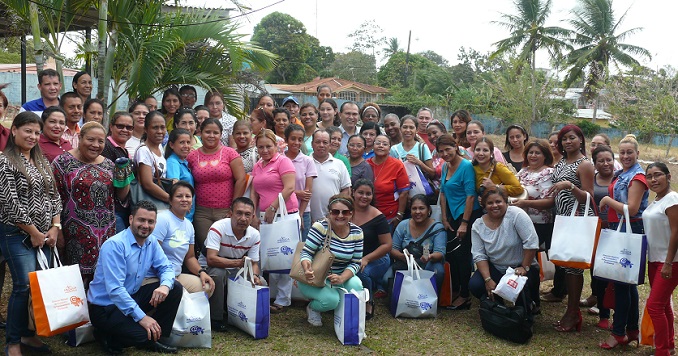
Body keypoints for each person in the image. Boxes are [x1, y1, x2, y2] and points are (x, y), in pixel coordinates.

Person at [0, 112, 62, 356]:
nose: (33, 136)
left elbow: (54, 196)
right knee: (23, 285)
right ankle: (13, 342)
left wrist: (55, 227)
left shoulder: (42, 160)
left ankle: (29, 335)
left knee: (38, 286)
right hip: (16, 234)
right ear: (14, 130)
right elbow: (9, 203)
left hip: (45, 234)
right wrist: (34, 232)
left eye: (37, 132)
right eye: (28, 131)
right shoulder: (4, 161)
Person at [87, 201, 182, 354]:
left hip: (130, 296)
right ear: (131, 219)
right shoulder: (115, 245)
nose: (146, 225)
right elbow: (116, 290)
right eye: (141, 220)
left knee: (174, 288)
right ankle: (106, 337)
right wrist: (142, 318)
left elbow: (166, 267)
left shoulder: (151, 242)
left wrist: (164, 286)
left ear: (155, 223)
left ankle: (156, 338)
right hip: (106, 307)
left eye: (150, 222)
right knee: (142, 335)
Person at [52, 122, 122, 287]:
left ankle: (98, 312)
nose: (96, 145)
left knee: (102, 279)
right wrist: (57, 229)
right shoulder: (61, 162)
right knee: (74, 284)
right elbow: (52, 198)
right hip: (74, 235)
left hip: (106, 234)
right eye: (91, 139)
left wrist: (124, 176)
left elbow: (120, 197)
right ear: (79, 137)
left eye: (100, 141)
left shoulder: (109, 165)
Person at [597, 134, 648, 349]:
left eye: (630, 152)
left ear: (638, 154)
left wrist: (608, 201)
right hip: (621, 228)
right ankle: (632, 330)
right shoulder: (623, 173)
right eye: (623, 152)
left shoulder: (637, 177)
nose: (625, 156)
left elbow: (633, 209)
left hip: (631, 229)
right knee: (627, 284)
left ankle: (618, 332)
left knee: (622, 284)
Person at [547, 124, 595, 333]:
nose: (567, 142)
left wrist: (570, 186)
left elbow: (589, 197)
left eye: (572, 138)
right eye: (564, 139)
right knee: (566, 266)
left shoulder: (584, 164)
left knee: (574, 268)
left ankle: (573, 312)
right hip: (562, 219)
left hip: (577, 219)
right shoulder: (560, 162)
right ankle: (571, 310)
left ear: (581, 140)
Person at [251, 129, 300, 313]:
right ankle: (270, 295)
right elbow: (254, 191)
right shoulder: (258, 165)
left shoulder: (283, 161)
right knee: (269, 256)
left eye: (268, 146)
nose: (265, 150)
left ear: (276, 146)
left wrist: (272, 207)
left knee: (285, 257)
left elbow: (289, 188)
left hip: (285, 215)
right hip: (265, 216)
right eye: (260, 147)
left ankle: (283, 299)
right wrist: (253, 213)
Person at [469, 188, 540, 310]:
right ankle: (497, 304)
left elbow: (531, 243)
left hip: (520, 267)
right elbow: (479, 255)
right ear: (484, 205)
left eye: (498, 201)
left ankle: (531, 302)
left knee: (522, 296)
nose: (494, 205)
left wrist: (524, 267)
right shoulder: (478, 225)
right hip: (496, 267)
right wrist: (488, 279)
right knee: (476, 285)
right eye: (490, 203)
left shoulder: (516, 215)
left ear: (506, 202)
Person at [298, 195, 364, 327]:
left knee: (357, 286)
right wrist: (307, 269)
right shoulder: (320, 227)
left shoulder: (357, 232)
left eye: (345, 212)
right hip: (314, 277)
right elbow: (306, 253)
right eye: (335, 212)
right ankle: (313, 308)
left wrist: (341, 278)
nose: (340, 215)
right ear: (329, 213)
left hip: (339, 276)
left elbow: (356, 262)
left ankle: (344, 314)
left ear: (351, 213)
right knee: (331, 300)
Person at [198, 197, 262, 332]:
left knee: (260, 281)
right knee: (218, 273)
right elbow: (211, 259)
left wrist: (254, 275)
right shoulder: (218, 227)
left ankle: (242, 316)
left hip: (235, 269)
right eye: (239, 213)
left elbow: (254, 263)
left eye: (247, 215)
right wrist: (239, 263)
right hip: (209, 268)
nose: (243, 218)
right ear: (230, 213)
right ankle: (216, 318)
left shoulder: (255, 234)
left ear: (253, 217)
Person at [187, 118, 246, 250]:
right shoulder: (192, 156)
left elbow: (241, 179)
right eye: (208, 132)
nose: (211, 136)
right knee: (206, 248)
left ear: (221, 134)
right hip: (201, 212)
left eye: (215, 133)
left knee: (225, 248)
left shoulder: (230, 153)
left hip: (226, 210)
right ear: (200, 133)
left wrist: (234, 208)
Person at [438, 134, 482, 310]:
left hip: (468, 215)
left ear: (456, 147)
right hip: (451, 216)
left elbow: (471, 195)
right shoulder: (445, 166)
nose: (445, 153)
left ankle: (465, 295)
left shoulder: (466, 166)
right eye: (441, 151)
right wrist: (443, 216)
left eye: (448, 149)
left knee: (463, 256)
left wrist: (464, 223)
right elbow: (442, 192)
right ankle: (455, 289)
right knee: (451, 255)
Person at [150, 182, 214, 296]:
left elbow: (189, 258)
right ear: (170, 200)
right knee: (176, 292)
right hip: (156, 276)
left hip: (177, 275)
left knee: (207, 287)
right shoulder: (162, 219)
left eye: (188, 196)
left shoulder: (189, 225)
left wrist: (201, 272)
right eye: (179, 196)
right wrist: (168, 278)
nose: (184, 199)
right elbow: (151, 253)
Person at [642, 162, 678, 356]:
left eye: (658, 175)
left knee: (654, 306)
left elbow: (676, 232)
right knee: (662, 305)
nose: (653, 180)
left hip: (669, 261)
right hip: (654, 260)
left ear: (668, 176)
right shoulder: (657, 200)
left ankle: (662, 351)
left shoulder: (672, 199)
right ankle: (669, 346)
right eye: (649, 176)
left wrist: (668, 262)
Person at [581, 145, 615, 328]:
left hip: (615, 232)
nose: (605, 163)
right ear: (594, 164)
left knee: (616, 275)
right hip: (595, 231)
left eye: (609, 159)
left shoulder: (620, 179)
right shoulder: (591, 180)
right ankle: (603, 315)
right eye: (601, 160)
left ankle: (618, 316)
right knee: (598, 274)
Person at [352, 179, 391, 318]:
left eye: (368, 194)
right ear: (353, 192)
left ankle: (368, 302)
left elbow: (387, 245)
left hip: (376, 258)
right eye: (360, 192)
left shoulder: (378, 217)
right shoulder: (345, 211)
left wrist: (366, 259)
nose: (364, 196)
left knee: (360, 272)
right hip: (351, 256)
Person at [391, 194, 446, 289]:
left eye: (421, 208)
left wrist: (430, 257)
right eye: (414, 208)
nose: (417, 212)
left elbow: (440, 253)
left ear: (429, 210)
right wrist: (402, 256)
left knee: (438, 271)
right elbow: (393, 249)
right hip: (406, 263)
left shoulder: (437, 228)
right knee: (386, 279)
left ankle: (433, 299)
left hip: (428, 263)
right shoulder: (403, 225)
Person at [513, 139, 555, 249]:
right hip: (519, 221)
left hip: (538, 224)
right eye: (530, 153)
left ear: (545, 155)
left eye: (537, 153)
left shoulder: (548, 173)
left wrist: (525, 203)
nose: (533, 155)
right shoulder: (524, 171)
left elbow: (550, 202)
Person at [367, 134, 410, 229]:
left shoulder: (397, 165)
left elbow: (404, 192)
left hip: (389, 216)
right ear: (373, 146)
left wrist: (400, 215)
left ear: (389, 148)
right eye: (378, 143)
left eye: (385, 144)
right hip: (367, 215)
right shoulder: (366, 164)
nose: (381, 145)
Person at [101, 112, 134, 233]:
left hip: (123, 208)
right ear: (111, 127)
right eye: (120, 126)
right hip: (111, 210)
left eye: (129, 127)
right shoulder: (106, 147)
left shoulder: (124, 150)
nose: (125, 130)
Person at [309, 130, 352, 222]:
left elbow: (346, 189)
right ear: (312, 144)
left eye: (325, 142)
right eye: (318, 142)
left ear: (329, 145)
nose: (321, 145)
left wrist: (337, 210)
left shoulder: (339, 164)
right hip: (308, 217)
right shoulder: (305, 162)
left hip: (333, 218)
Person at [284, 124, 317, 241]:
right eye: (293, 139)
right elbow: (278, 188)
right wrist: (297, 193)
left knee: (301, 249)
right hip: (283, 210)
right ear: (286, 139)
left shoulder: (308, 161)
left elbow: (307, 192)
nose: (296, 143)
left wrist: (300, 214)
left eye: (300, 139)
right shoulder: (279, 160)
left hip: (303, 211)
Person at [389, 116, 435, 191]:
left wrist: (419, 163)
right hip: (400, 191)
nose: (408, 130)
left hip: (419, 192)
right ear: (400, 129)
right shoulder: (394, 149)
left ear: (416, 130)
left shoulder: (422, 148)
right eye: (405, 127)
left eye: (411, 127)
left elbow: (432, 173)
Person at [134, 111, 169, 205]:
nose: (160, 131)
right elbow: (147, 184)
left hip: (159, 200)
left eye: (162, 127)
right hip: (148, 203)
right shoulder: (144, 151)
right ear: (146, 129)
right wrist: (170, 199)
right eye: (155, 127)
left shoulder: (160, 147)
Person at [165, 128, 195, 221]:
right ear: (171, 145)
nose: (186, 146)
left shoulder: (183, 161)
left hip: (187, 215)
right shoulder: (173, 162)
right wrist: (185, 203)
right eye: (182, 142)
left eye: (188, 142)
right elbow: (175, 185)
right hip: (181, 214)